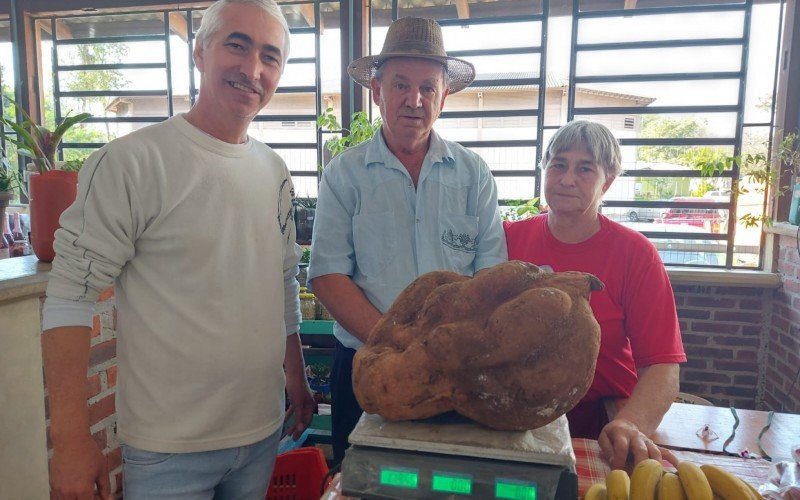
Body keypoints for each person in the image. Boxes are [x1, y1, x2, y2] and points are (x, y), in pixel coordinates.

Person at [41, 1, 315, 498]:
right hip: (169, 449)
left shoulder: (274, 171)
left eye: (270, 57)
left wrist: (295, 373)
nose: (252, 69)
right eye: (238, 44)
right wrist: (70, 439)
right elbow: (68, 296)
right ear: (200, 52)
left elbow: (282, 278)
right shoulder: (131, 163)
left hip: (259, 432)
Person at [308, 17, 507, 465]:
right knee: (364, 482)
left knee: (450, 484)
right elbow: (327, 274)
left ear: (444, 96)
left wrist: (441, 350)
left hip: (454, 371)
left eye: (427, 88)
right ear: (377, 92)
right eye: (400, 85)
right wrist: (397, 342)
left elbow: (490, 275)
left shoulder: (474, 174)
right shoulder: (345, 175)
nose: (413, 101)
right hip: (367, 365)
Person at [504, 120, 686, 469]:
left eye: (584, 168)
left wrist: (630, 423)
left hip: (604, 418)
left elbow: (662, 364)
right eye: (558, 164)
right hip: (518, 413)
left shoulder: (635, 253)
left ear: (609, 180)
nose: (567, 178)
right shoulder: (509, 238)